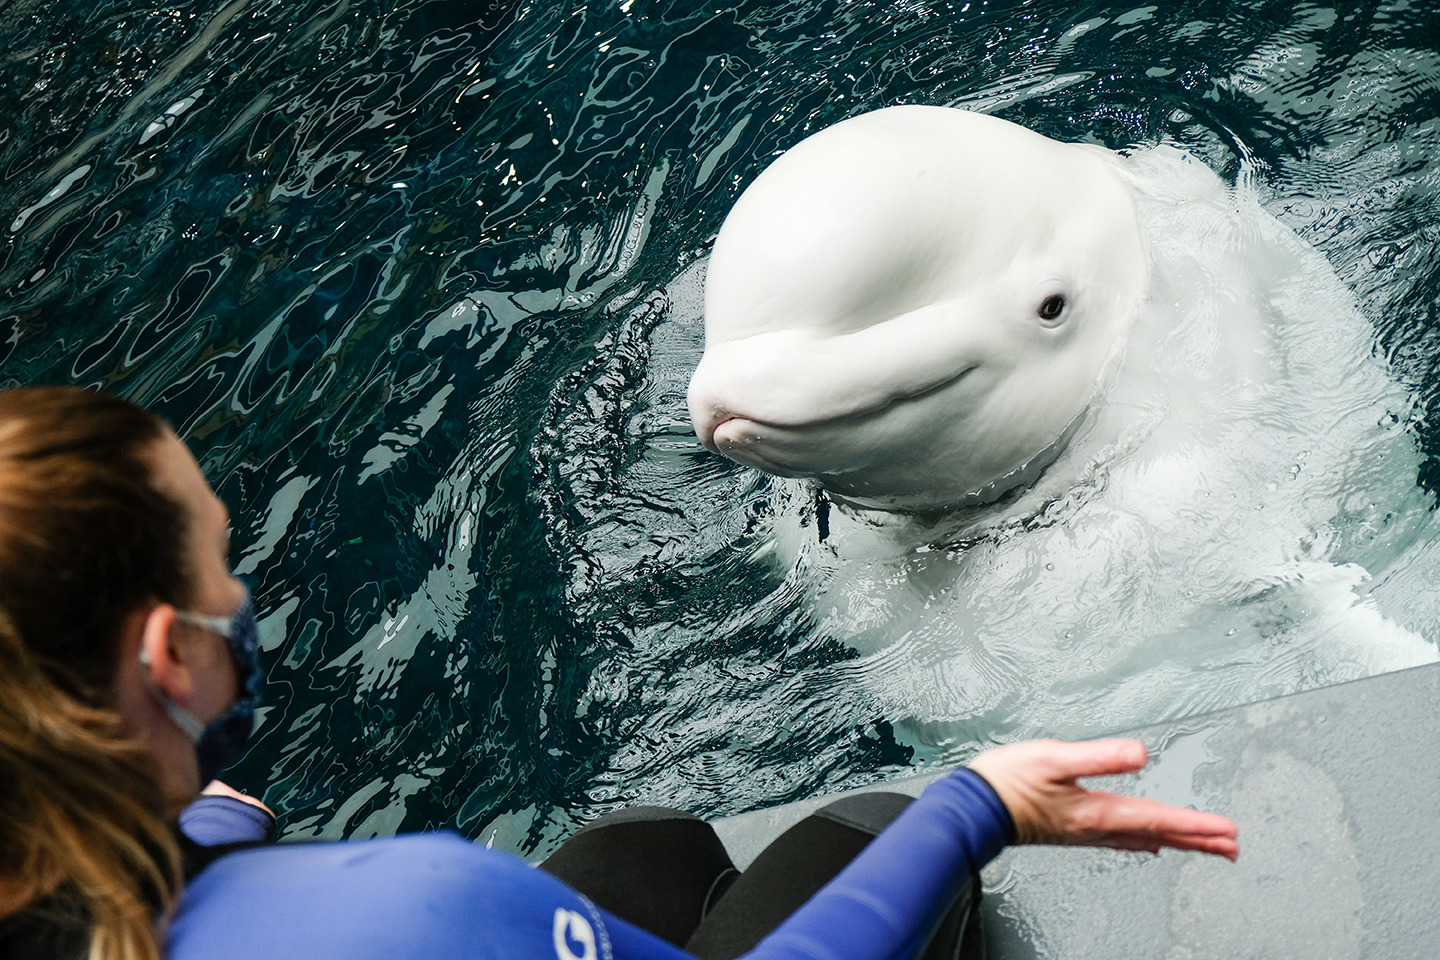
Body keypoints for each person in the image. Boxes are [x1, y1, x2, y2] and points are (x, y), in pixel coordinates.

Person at [0, 386, 1238, 960]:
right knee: (866, 831)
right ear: (169, 657)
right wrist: (980, 804)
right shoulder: (406, 916)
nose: (240, 597)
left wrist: (183, 827)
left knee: (642, 846)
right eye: (221, 562)